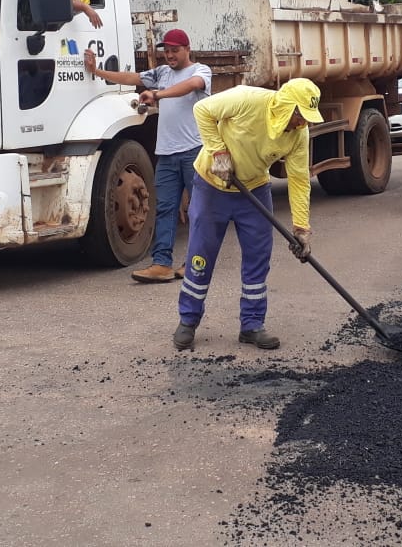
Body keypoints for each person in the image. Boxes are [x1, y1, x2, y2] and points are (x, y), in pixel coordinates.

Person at [173, 78, 324, 351]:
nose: (302, 123)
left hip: (253, 190)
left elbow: (300, 180)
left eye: (306, 118)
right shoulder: (247, 99)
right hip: (211, 186)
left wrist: (301, 229)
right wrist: (218, 152)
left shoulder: (298, 135)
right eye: (299, 116)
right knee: (200, 255)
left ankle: (252, 325)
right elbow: (202, 110)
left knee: (258, 257)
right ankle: (188, 320)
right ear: (286, 106)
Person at [84, 28, 211, 283]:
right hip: (166, 154)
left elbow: (191, 86)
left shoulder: (201, 71)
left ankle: (195, 263)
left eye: (175, 51)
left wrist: (157, 94)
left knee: (199, 210)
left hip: (193, 152)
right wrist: (97, 71)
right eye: (167, 51)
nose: (170, 55)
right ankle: (161, 264)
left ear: (187, 50)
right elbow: (131, 77)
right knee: (164, 209)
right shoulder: (162, 73)